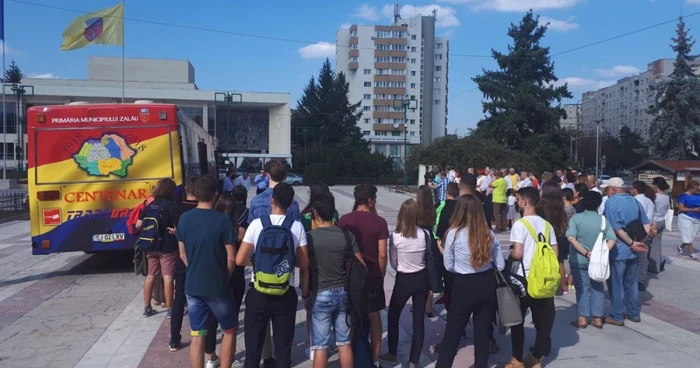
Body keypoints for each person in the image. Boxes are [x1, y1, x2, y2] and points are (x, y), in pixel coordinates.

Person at [237, 183, 310, 368]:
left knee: (253, 349)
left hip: (258, 293)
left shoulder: (256, 224)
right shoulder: (296, 227)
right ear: (291, 203)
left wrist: (259, 263)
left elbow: (239, 259)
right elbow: (303, 263)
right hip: (285, 292)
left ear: (272, 200)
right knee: (283, 349)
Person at [176, 175, 238, 368]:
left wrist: (194, 268)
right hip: (218, 286)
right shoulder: (223, 221)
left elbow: (182, 254)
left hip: (193, 285)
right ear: (216, 195)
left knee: (198, 333)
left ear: (195, 194)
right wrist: (224, 276)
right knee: (229, 329)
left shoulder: (184, 219)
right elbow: (231, 257)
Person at [437, 194, 505, 368]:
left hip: (463, 284)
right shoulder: (488, 233)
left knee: (452, 333)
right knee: (482, 333)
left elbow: (448, 265)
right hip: (486, 282)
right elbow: (500, 265)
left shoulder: (453, 233)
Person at [306, 192, 362, 368]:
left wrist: (305, 292)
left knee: (320, 346)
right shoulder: (346, 236)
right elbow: (361, 266)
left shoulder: (309, 237)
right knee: (344, 343)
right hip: (343, 293)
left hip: (321, 291)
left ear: (315, 214)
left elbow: (303, 267)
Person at [506, 187, 558, 368]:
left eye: (518, 199)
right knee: (543, 321)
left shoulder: (520, 224)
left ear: (525, 202)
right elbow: (555, 252)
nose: (517, 202)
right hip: (544, 279)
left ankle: (517, 360)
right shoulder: (546, 224)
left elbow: (518, 254)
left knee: (517, 320)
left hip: (525, 279)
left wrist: (511, 253)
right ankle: (536, 358)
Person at [338, 184, 389, 368]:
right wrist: (381, 274)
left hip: (351, 275)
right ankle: (374, 360)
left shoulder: (344, 220)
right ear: (369, 200)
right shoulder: (380, 222)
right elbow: (382, 254)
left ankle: (349, 359)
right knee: (375, 317)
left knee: (350, 318)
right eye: (374, 198)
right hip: (373, 275)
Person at [380, 199, 430, 367]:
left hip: (404, 278)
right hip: (421, 277)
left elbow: (393, 263)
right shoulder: (425, 234)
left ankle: (392, 352)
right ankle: (413, 360)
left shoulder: (395, 237)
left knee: (393, 315)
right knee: (418, 320)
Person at [602, 178, 650, 326]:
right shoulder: (635, 201)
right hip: (635, 250)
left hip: (619, 250)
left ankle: (617, 315)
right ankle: (633, 313)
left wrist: (630, 242)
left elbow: (616, 228)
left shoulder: (611, 202)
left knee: (616, 284)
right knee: (631, 283)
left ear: (613, 190)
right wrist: (639, 242)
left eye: (607, 189)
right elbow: (647, 223)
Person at [566, 191, 617, 329]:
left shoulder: (576, 218)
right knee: (597, 287)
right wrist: (601, 252)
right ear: (599, 204)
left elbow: (571, 238)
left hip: (579, 259)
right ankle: (597, 317)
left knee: (582, 288)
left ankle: (582, 318)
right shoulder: (603, 220)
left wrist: (586, 252)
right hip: (598, 262)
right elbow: (612, 239)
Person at [211, 193, 246, 367]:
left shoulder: (211, 227)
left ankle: (211, 357)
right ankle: (229, 359)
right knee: (231, 324)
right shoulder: (239, 231)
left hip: (215, 276)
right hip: (236, 278)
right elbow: (245, 258)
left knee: (211, 319)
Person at [137, 178, 178, 317]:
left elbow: (138, 225)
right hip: (166, 247)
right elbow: (177, 227)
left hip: (150, 245)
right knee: (168, 277)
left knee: (150, 276)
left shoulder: (149, 205)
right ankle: (170, 310)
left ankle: (147, 308)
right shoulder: (171, 206)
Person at [169, 176, 199, 352]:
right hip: (201, 259)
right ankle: (206, 337)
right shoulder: (206, 210)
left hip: (182, 259)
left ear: (186, 190)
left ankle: (174, 338)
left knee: (179, 299)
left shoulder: (176, 209)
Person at [539, 182, 571, 295]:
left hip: (544, 237)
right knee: (560, 262)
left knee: (544, 262)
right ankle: (563, 287)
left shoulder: (540, 208)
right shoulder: (560, 207)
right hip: (560, 236)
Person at [434, 183, 459, 308]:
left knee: (447, 275)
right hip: (460, 244)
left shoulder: (443, 206)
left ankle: (448, 299)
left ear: (446, 193)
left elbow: (440, 225)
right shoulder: (461, 207)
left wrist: (439, 240)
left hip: (444, 245)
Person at [416, 186, 438, 318]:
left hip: (417, 239)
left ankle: (418, 302)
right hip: (430, 239)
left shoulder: (415, 209)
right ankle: (428, 307)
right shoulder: (432, 209)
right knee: (430, 271)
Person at [631, 181, 656, 291]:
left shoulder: (635, 200)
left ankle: (633, 278)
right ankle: (641, 279)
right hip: (648, 229)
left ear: (635, 190)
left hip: (638, 230)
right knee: (643, 256)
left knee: (633, 255)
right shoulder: (649, 201)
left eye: (631, 188)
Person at [649, 177, 671, 272]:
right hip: (662, 221)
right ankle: (657, 264)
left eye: (653, 184)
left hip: (655, 221)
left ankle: (653, 266)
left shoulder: (655, 196)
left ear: (656, 185)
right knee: (657, 243)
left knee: (651, 244)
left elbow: (652, 210)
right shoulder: (666, 196)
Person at [677, 180, 700, 260]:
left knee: (691, 237)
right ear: (690, 188)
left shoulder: (698, 196)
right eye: (695, 189)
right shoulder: (683, 196)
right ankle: (692, 254)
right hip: (686, 217)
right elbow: (681, 208)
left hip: (697, 218)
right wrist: (694, 209)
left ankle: (681, 247)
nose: (697, 191)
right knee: (688, 235)